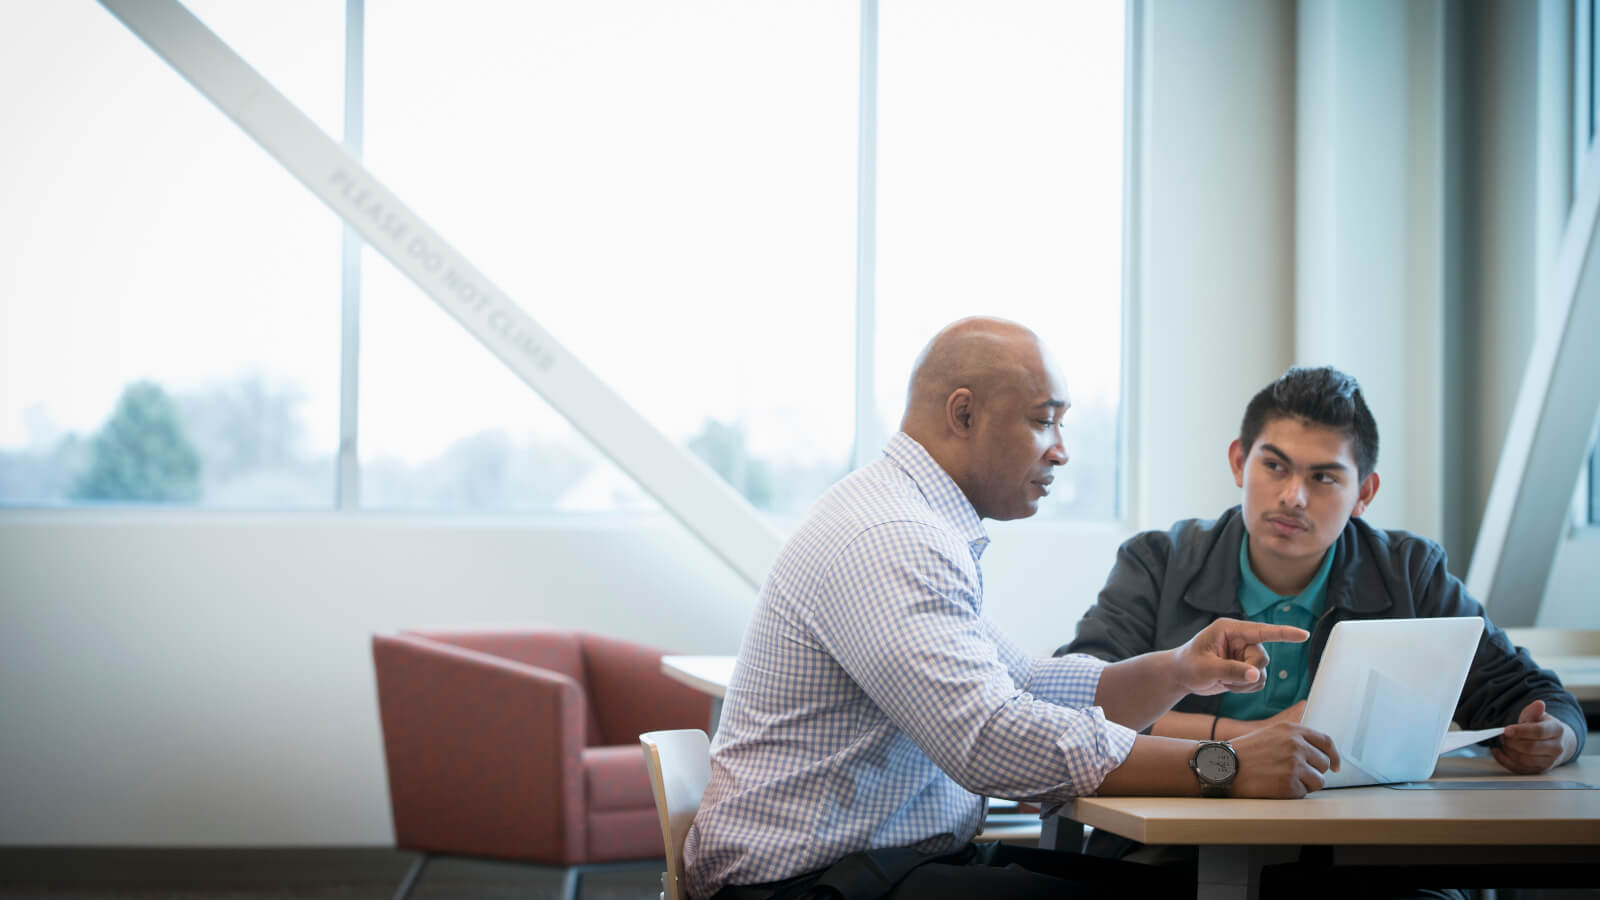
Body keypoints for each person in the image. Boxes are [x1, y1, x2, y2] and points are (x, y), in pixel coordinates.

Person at [684, 318, 1342, 900]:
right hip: (805, 884)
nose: (1060, 447)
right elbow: (990, 741)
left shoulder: (911, 520)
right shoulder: (891, 537)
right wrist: (1226, 766)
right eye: (1042, 419)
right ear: (963, 415)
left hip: (878, 866)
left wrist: (1176, 670)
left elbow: (1025, 685)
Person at [1057, 365, 1585, 868]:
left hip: (1367, 857)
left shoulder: (1410, 573)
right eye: (1275, 466)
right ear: (1240, 461)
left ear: (1365, 493)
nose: (1293, 496)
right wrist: (1251, 739)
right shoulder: (1158, 562)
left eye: (1324, 477)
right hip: (1173, 853)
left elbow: (1525, 691)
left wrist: (1556, 736)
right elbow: (1073, 703)